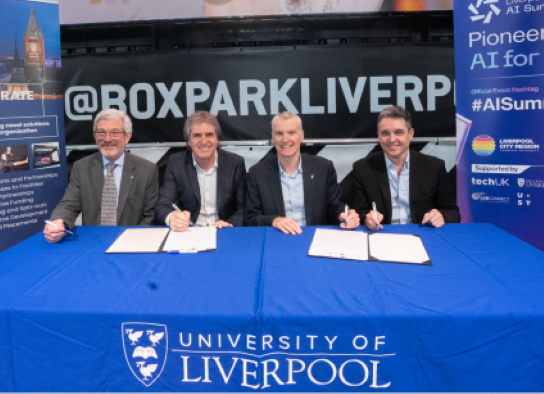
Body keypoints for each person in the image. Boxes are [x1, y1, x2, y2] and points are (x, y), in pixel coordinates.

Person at [44, 109, 159, 243]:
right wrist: (59, 223)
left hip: (131, 243)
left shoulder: (147, 170)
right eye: (101, 132)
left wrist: (130, 241)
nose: (107, 139)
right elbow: (69, 204)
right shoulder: (81, 167)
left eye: (115, 132)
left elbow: (149, 216)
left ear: (127, 136)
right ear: (94, 134)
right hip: (92, 243)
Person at [245, 111, 359, 234]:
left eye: (291, 132)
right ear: (272, 137)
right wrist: (274, 220)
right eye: (279, 133)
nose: (285, 139)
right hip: (277, 238)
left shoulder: (324, 168)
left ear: (301, 135)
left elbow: (335, 205)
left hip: (314, 237)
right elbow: (251, 217)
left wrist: (344, 215)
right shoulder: (257, 173)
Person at [351, 105, 460, 231]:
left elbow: (453, 213)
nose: (392, 139)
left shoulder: (435, 167)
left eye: (398, 132)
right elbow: (358, 213)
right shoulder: (362, 169)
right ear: (378, 136)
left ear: (410, 134)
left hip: (423, 235)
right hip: (382, 236)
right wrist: (366, 218)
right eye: (385, 133)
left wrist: (441, 216)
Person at [155, 111, 246, 230]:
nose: (204, 141)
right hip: (188, 232)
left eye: (209, 134)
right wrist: (173, 218)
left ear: (217, 139)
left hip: (224, 231)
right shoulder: (176, 163)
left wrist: (231, 224)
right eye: (197, 135)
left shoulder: (235, 163)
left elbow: (243, 208)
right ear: (189, 141)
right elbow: (163, 205)